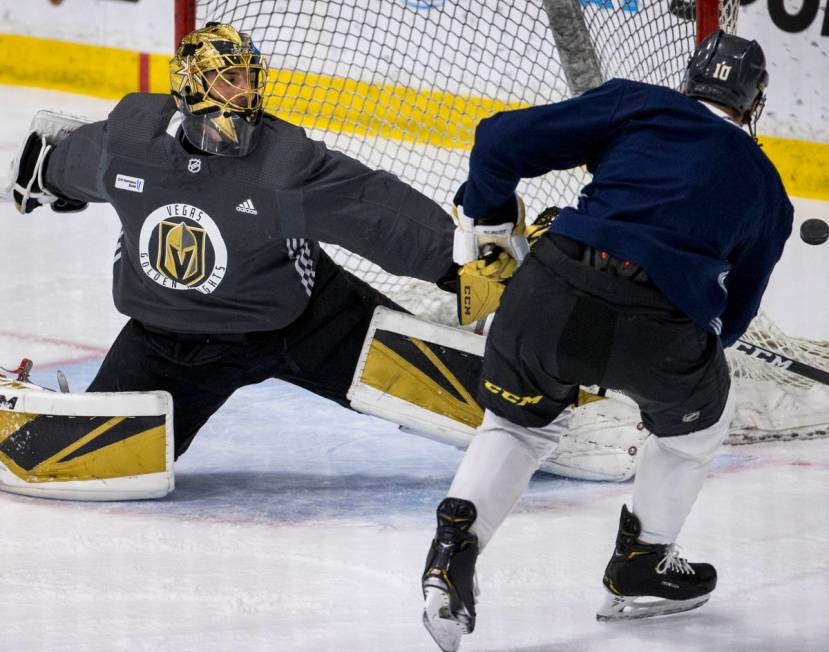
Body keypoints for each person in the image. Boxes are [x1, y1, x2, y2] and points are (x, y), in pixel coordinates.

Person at [420, 31, 792, 651]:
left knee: (516, 425)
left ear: (689, 83)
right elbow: (733, 320)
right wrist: (675, 371)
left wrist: (488, 224)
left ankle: (451, 557)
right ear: (751, 105)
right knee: (698, 428)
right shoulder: (768, 193)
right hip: (663, 330)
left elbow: (497, 139)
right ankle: (641, 567)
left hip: (549, 290)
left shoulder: (641, 105)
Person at [10, 22, 455, 460]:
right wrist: (46, 174)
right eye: (229, 78)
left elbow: (373, 210)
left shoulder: (283, 167)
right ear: (191, 83)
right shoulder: (131, 145)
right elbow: (66, 163)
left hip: (311, 323)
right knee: (77, 459)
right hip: (170, 342)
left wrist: (453, 263)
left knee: (470, 400)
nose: (244, 91)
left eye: (249, 77)